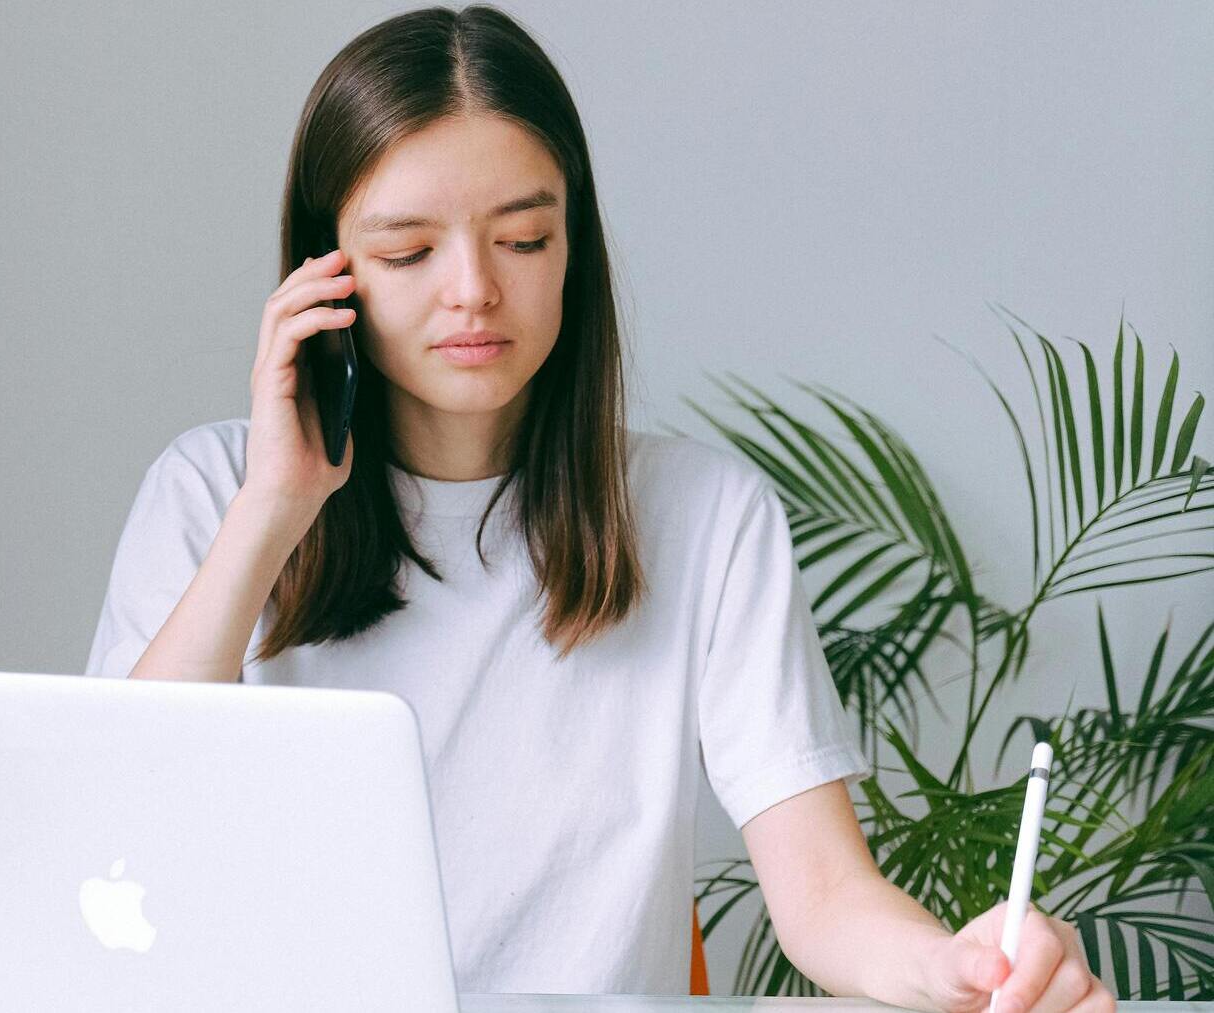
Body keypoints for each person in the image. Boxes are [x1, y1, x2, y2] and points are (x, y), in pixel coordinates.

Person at [84, 6, 1112, 1012]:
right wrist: (274, 506)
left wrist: (956, 968)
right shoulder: (211, 493)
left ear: (573, 244)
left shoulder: (708, 518)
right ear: (325, 276)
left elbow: (826, 896)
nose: (475, 290)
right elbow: (118, 827)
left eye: (523, 238)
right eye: (409, 254)